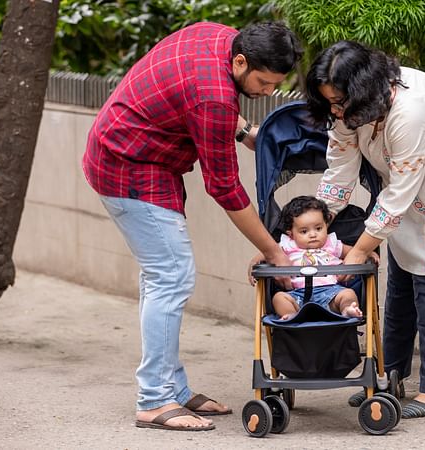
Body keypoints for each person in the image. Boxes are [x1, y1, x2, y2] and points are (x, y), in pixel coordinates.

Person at [82, 21, 302, 432]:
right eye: (263, 81)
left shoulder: (217, 35)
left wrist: (242, 130)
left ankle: (172, 390)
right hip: (127, 165)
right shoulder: (216, 98)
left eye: (276, 84)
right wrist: (275, 251)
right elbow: (224, 187)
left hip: (142, 155)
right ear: (239, 60)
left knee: (163, 276)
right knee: (171, 276)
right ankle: (154, 400)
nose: (268, 92)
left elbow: (184, 96)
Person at [305, 41, 425, 419]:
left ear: (363, 91)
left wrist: (358, 251)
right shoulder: (348, 111)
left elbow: (398, 194)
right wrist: (314, 223)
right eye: (329, 101)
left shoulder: (410, 110)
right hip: (406, 203)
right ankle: (389, 377)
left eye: (340, 101)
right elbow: (340, 172)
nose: (335, 110)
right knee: (398, 290)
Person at [249, 196, 378, 320]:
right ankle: (291, 315)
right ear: (291, 234)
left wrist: (367, 252)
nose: (313, 234)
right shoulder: (287, 245)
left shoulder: (331, 243)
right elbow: (268, 253)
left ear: (326, 225)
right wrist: (255, 261)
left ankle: (347, 310)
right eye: (304, 231)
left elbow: (353, 252)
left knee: (348, 294)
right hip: (297, 294)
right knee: (278, 298)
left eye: (318, 228)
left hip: (332, 292)